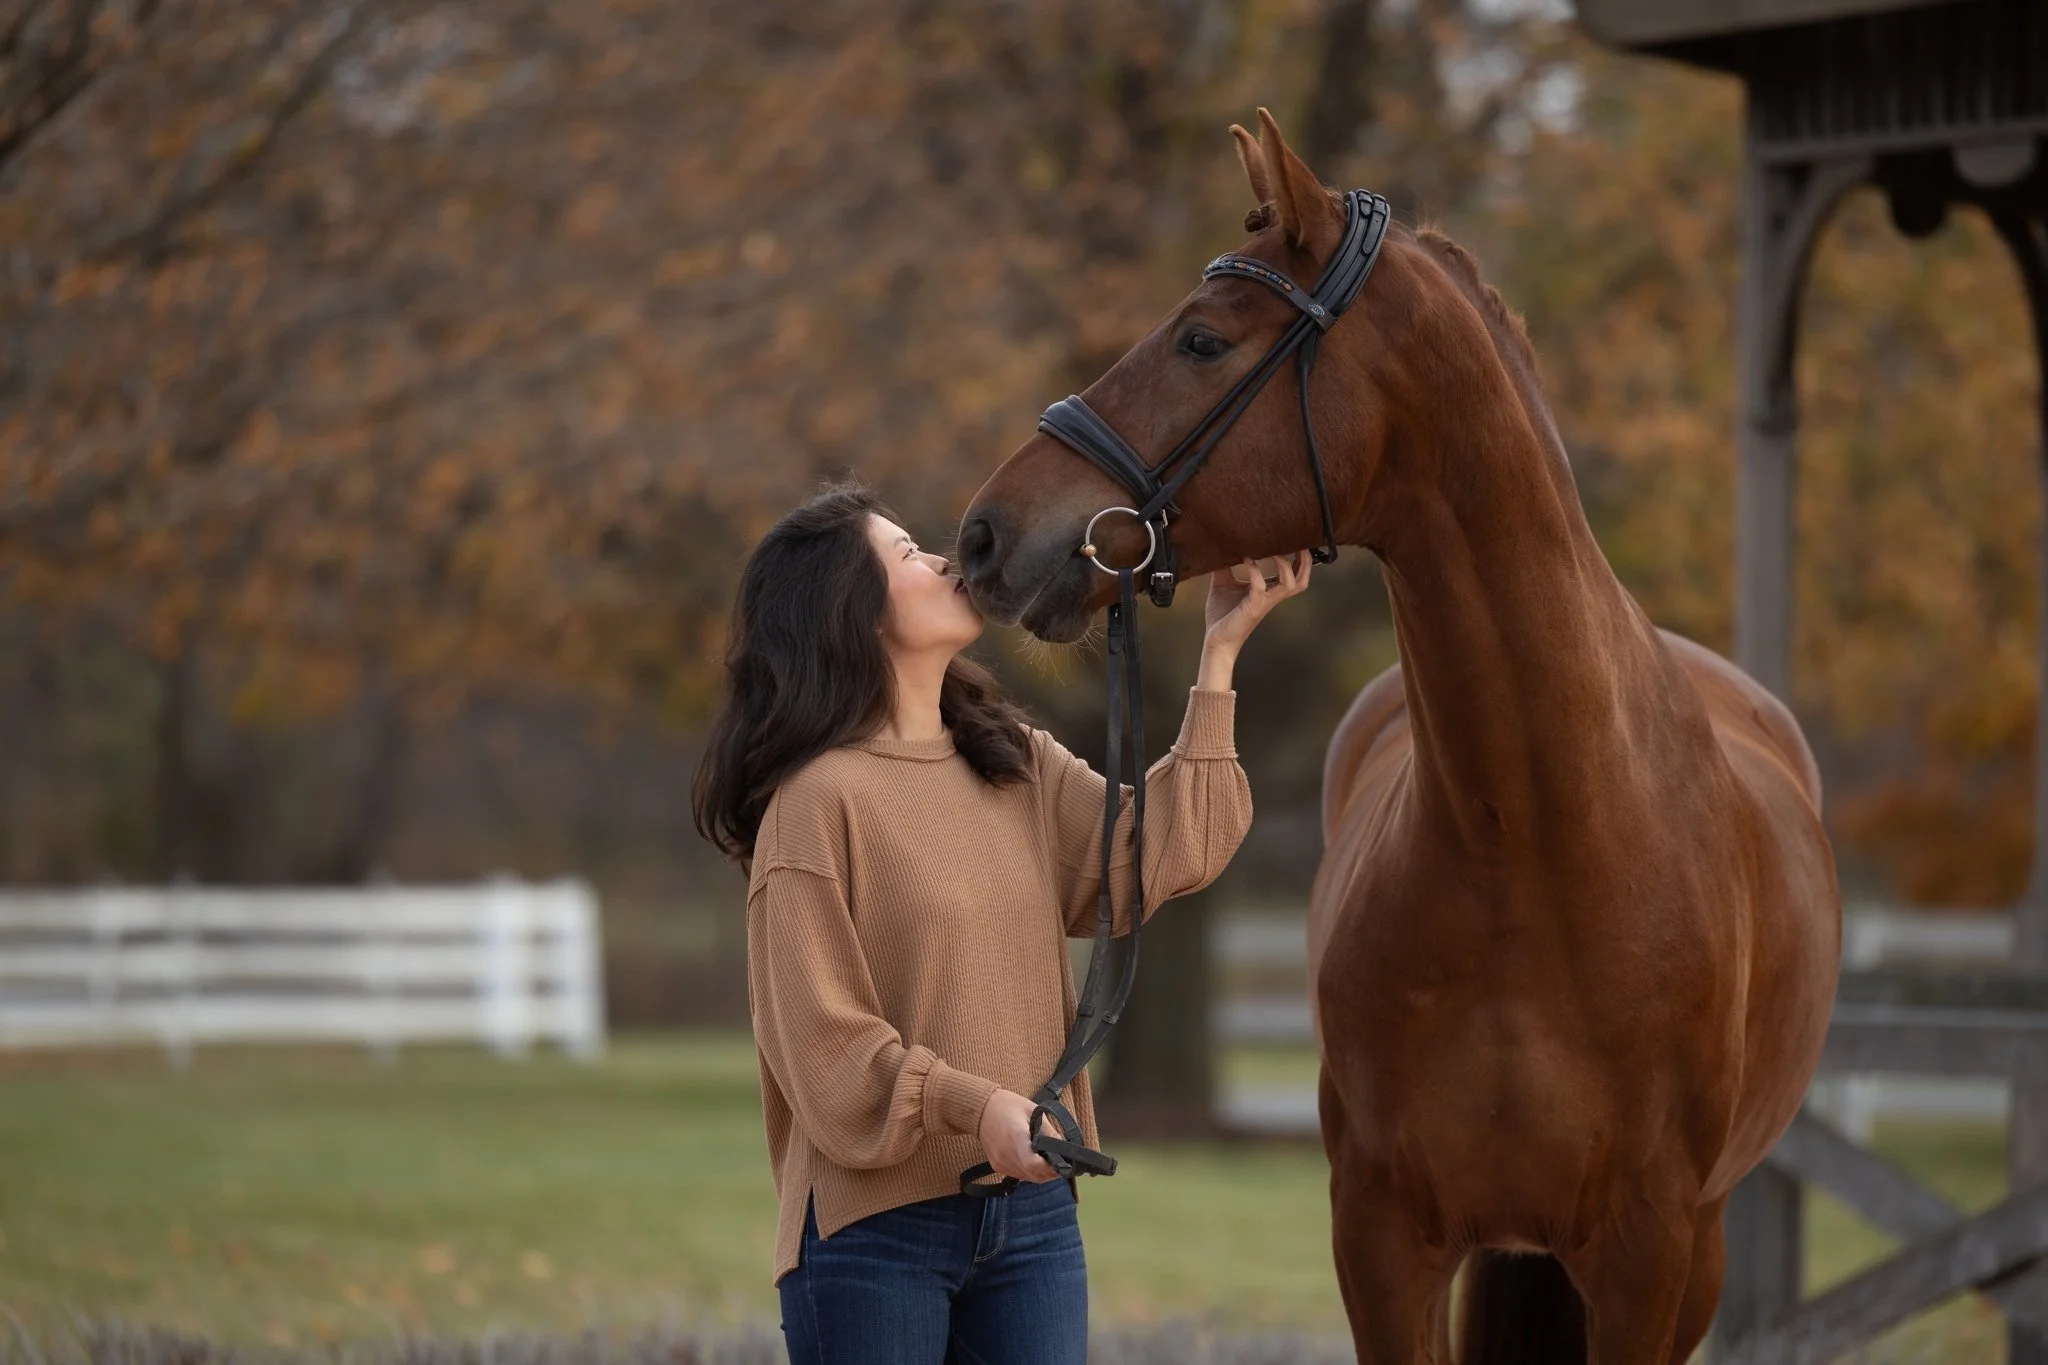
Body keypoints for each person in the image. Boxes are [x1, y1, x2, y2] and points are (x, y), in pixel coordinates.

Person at [691, 482, 1310, 1365]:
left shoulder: (1010, 758)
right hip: (876, 1237)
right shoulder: (815, 804)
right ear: (850, 611)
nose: (945, 560)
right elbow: (827, 1052)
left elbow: (1172, 847)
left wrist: (1219, 656)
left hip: (1033, 1223)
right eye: (907, 555)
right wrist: (974, 1106)